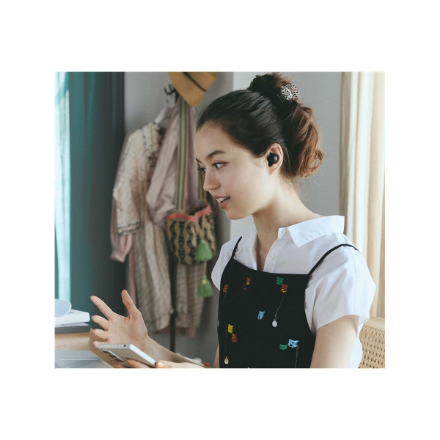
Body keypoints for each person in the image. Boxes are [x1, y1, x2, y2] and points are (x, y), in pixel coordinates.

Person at [90, 72, 376, 368]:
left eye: (219, 164)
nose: (207, 184)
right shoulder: (234, 256)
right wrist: (144, 346)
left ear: (272, 158)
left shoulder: (337, 266)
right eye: (203, 169)